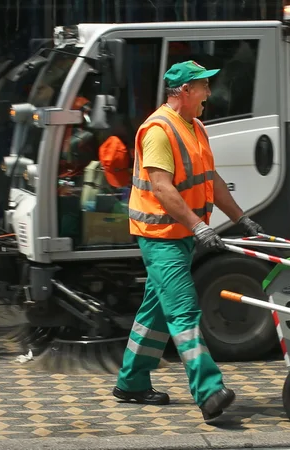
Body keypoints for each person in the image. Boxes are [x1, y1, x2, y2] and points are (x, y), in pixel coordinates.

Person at [112, 60, 264, 423]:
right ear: (184, 91)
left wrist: (240, 217)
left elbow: (210, 177)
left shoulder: (194, 126)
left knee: (157, 310)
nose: (209, 93)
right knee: (183, 310)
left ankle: (131, 382)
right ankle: (209, 391)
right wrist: (198, 225)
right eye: (203, 86)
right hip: (161, 235)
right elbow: (162, 188)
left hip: (180, 234)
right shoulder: (159, 130)